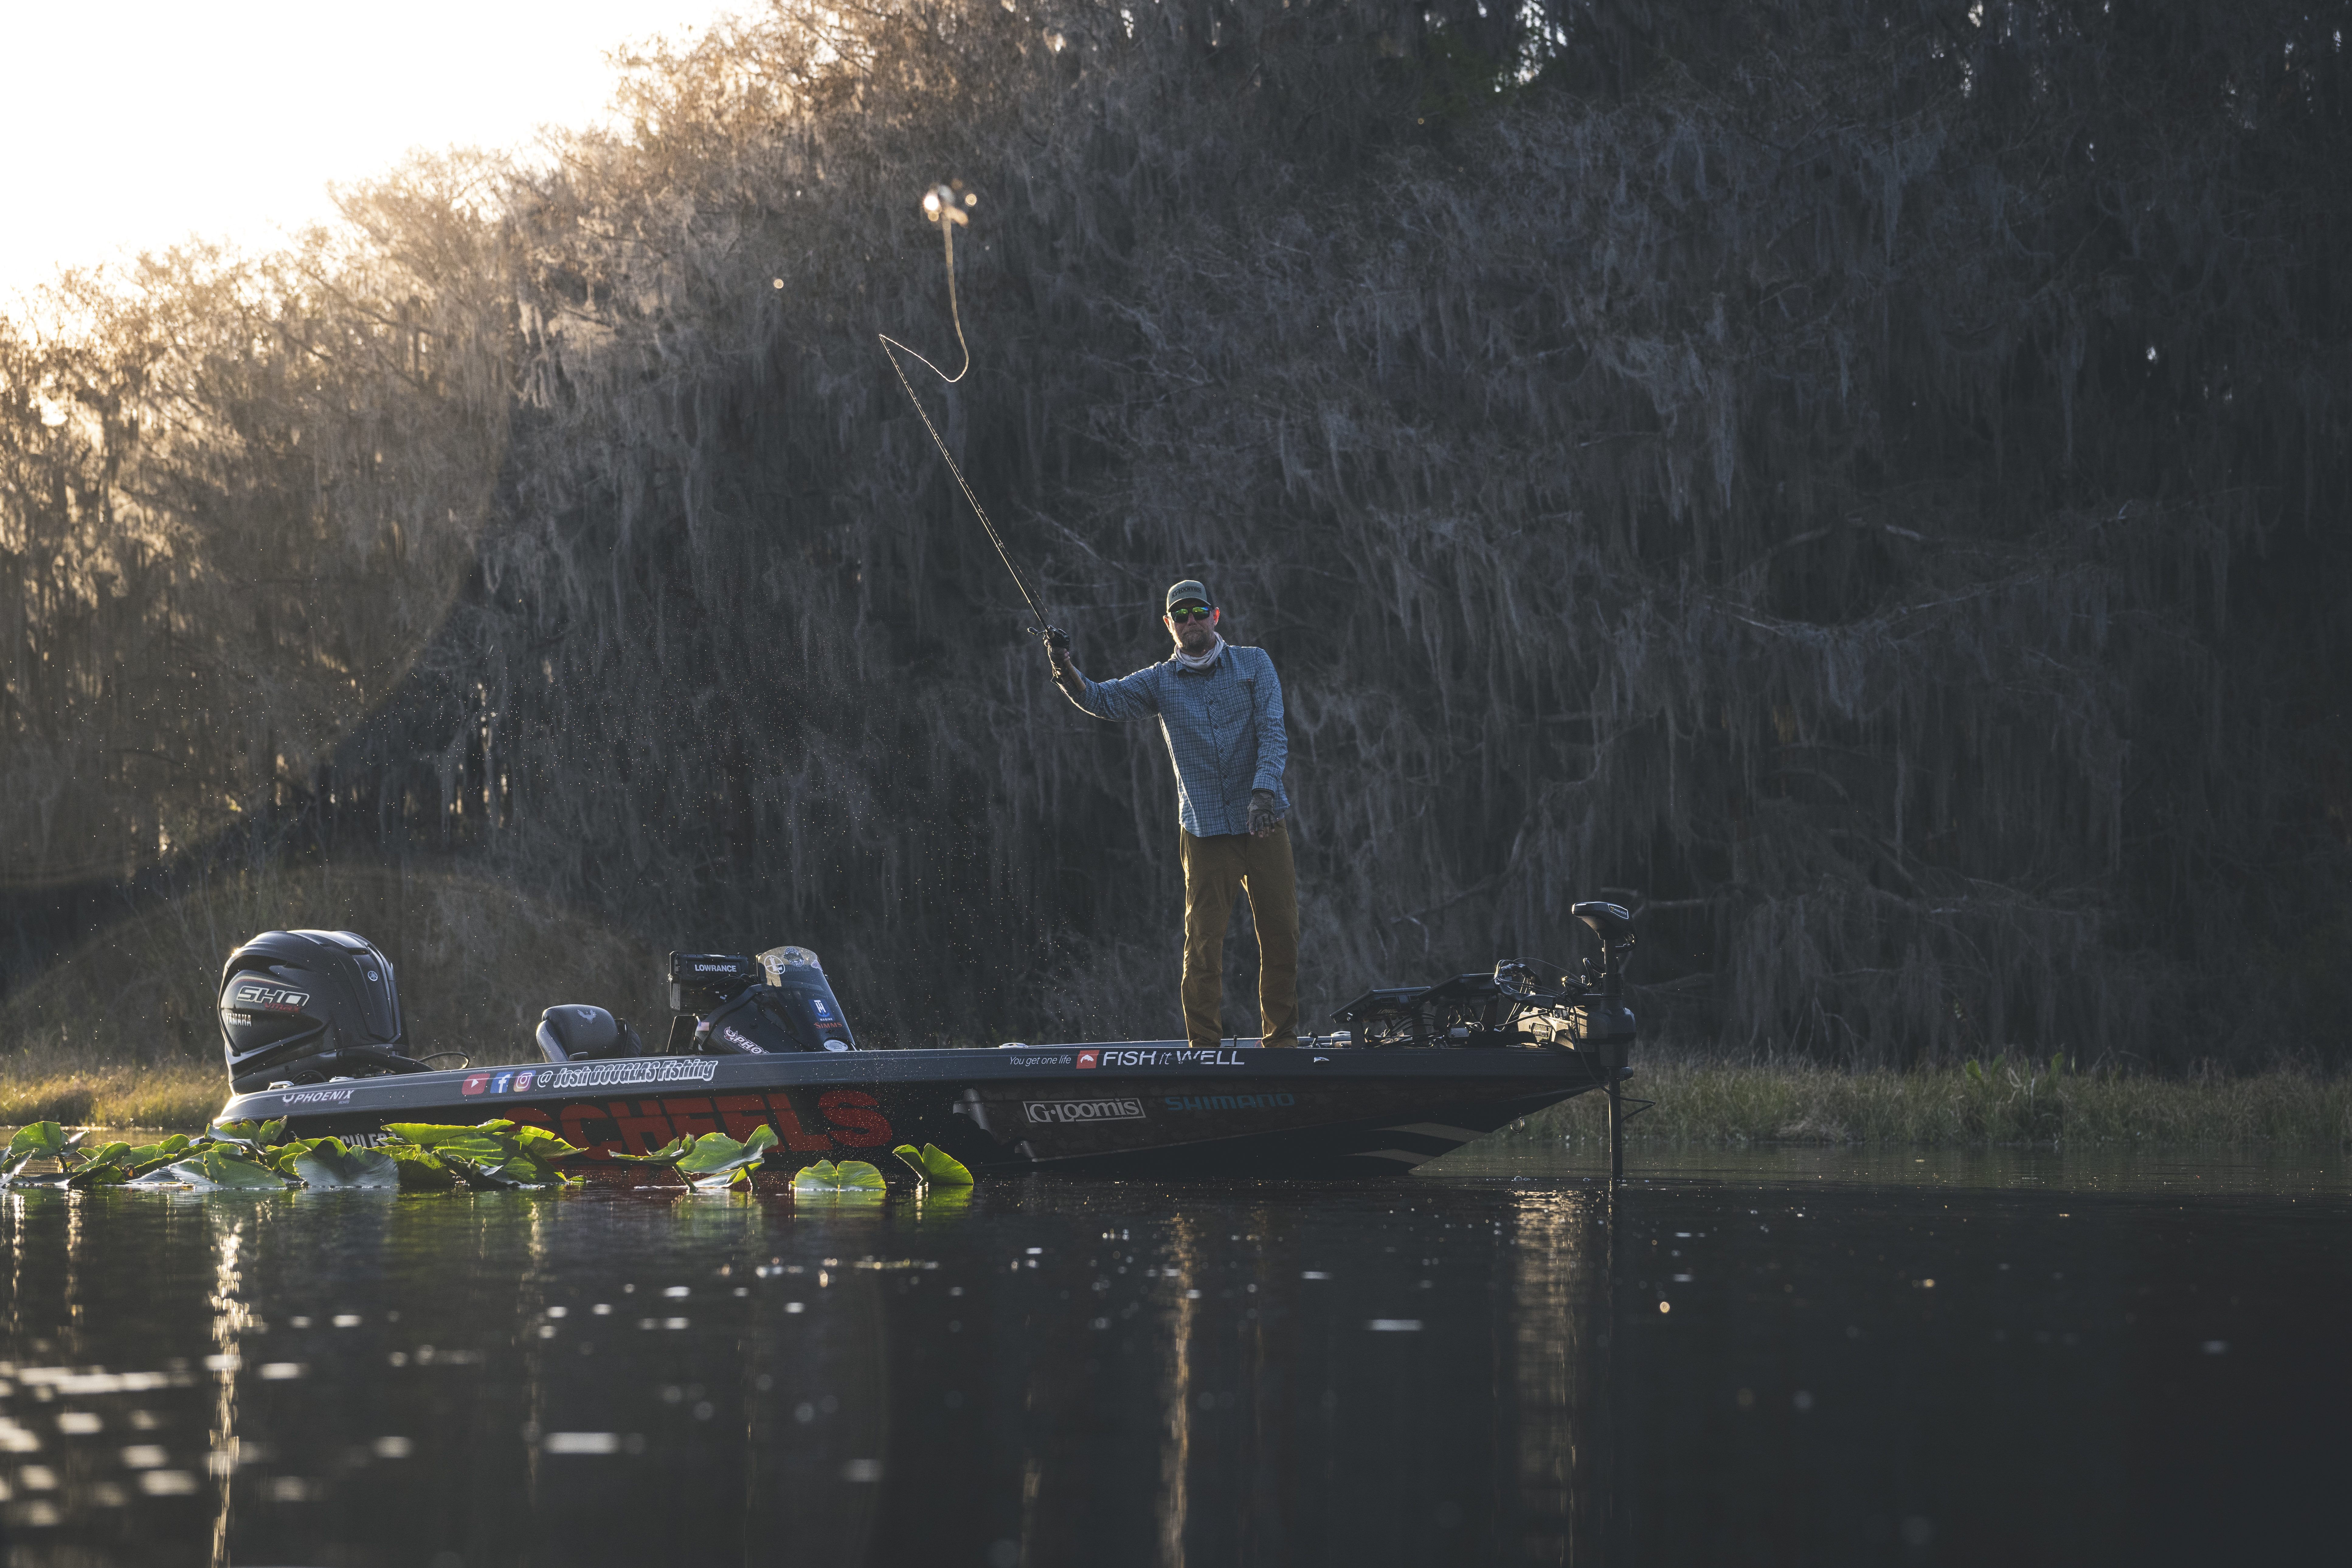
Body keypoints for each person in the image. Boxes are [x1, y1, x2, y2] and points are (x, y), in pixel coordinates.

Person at [1047, 579, 1299, 1049]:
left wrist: (1263, 792)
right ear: (1169, 625)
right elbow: (1100, 699)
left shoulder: (1254, 663)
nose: (1190, 621)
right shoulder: (1159, 682)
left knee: (1282, 936)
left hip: (1264, 824)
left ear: (1215, 616)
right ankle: (1204, 1049)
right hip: (1204, 833)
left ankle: (1282, 1043)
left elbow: (1273, 733)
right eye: (1179, 615)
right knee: (1203, 947)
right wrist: (1064, 665)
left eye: (1198, 611)